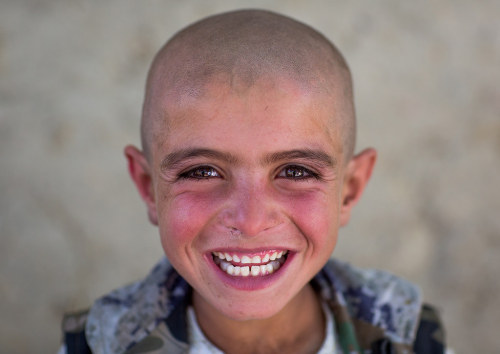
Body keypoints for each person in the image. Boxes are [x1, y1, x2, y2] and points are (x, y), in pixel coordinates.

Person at [60, 9, 447, 354]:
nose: (250, 220)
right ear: (148, 187)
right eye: (202, 171)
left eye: (296, 172)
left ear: (349, 190)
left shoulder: (408, 338)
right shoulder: (98, 344)